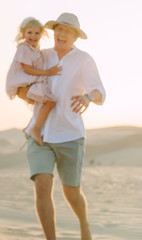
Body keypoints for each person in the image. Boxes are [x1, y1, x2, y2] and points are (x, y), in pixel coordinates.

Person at [17, 12, 106, 240]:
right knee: (43, 186)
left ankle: (84, 224)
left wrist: (87, 97)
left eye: (67, 30)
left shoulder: (84, 59)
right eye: (59, 29)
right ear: (54, 31)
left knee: (71, 193)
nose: (62, 33)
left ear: (75, 36)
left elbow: (100, 91)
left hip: (70, 135)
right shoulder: (41, 56)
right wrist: (27, 94)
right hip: (39, 136)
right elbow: (20, 82)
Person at [6, 17, 62, 146]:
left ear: (41, 34)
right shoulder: (24, 48)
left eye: (37, 33)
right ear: (23, 33)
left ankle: (29, 126)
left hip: (29, 84)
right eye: (29, 32)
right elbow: (27, 69)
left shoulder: (34, 49)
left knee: (41, 103)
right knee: (50, 101)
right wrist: (48, 72)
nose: (33, 36)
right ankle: (35, 128)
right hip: (23, 85)